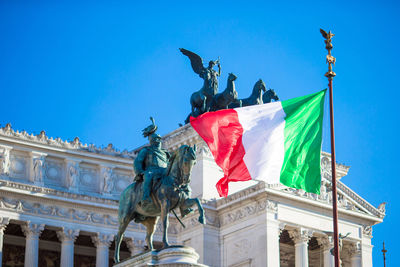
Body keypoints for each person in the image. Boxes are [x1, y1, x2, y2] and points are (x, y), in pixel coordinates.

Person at [134, 118, 170, 206]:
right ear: (151, 141)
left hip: (163, 171)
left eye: (159, 139)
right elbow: (138, 162)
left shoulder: (165, 153)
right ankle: (145, 197)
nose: (157, 141)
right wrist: (140, 172)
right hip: (151, 171)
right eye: (155, 140)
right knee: (148, 175)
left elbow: (169, 163)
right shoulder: (146, 150)